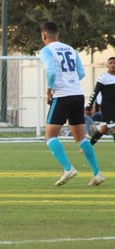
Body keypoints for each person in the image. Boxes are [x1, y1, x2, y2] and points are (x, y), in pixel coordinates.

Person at [39, 22, 103, 186]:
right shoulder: (71, 49)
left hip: (61, 95)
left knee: (50, 135)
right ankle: (97, 173)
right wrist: (70, 81)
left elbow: (52, 72)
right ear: (58, 35)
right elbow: (81, 73)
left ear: (44, 36)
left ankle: (68, 168)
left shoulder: (46, 51)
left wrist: (49, 91)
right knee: (81, 138)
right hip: (77, 94)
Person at [84, 57, 115, 147]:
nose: (113, 65)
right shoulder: (103, 78)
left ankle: (88, 147)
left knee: (103, 129)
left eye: (114, 63)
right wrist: (89, 107)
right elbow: (95, 92)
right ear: (107, 65)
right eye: (111, 63)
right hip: (108, 107)